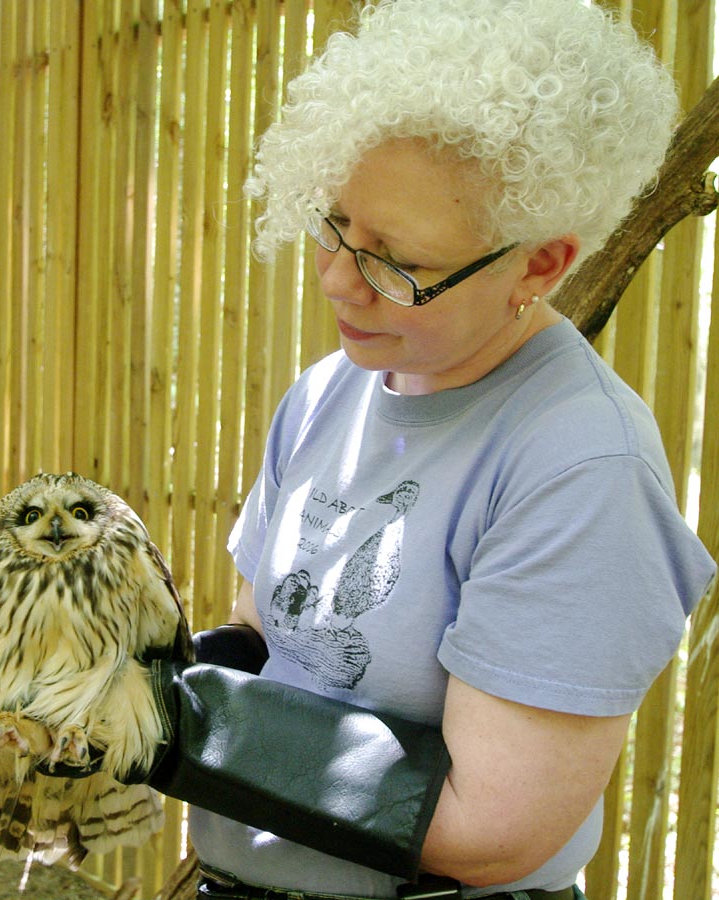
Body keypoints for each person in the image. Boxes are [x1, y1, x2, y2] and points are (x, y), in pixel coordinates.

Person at [135, 2, 718, 899]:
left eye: (397, 262)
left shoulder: (580, 468)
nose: (338, 280)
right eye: (335, 225)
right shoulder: (327, 394)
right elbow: (267, 640)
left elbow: (491, 829)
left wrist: (166, 729)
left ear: (540, 264)